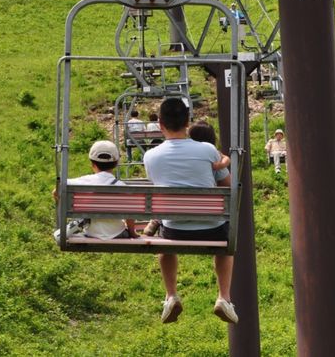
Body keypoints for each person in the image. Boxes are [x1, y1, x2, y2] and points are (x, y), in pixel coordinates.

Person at [143, 99, 238, 324]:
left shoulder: (151, 156)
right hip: (212, 230)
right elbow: (229, 186)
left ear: (160, 124)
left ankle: (171, 294)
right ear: (188, 121)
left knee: (164, 242)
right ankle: (224, 297)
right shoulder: (207, 150)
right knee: (227, 245)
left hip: (174, 230)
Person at [143, 120, 230, 236]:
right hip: (213, 226)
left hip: (173, 227)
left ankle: (156, 220)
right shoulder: (211, 152)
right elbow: (228, 186)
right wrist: (223, 163)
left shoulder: (153, 155)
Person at [52, 140, 137, 239]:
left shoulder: (81, 182)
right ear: (116, 163)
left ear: (92, 163)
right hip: (117, 234)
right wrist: (132, 233)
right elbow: (130, 214)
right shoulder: (122, 186)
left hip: (91, 233)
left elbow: (56, 191)